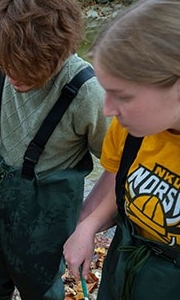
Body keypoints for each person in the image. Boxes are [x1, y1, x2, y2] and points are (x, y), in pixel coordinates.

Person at [0, 0, 110, 299]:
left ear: (58, 52)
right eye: (5, 63)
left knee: (39, 287)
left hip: (49, 213)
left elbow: (117, 165)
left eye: (23, 67)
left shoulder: (87, 92)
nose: (12, 75)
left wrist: (87, 222)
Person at [63, 0, 180, 299]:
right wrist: (87, 227)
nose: (106, 110)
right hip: (126, 267)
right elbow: (121, 184)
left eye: (122, 96)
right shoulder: (132, 131)